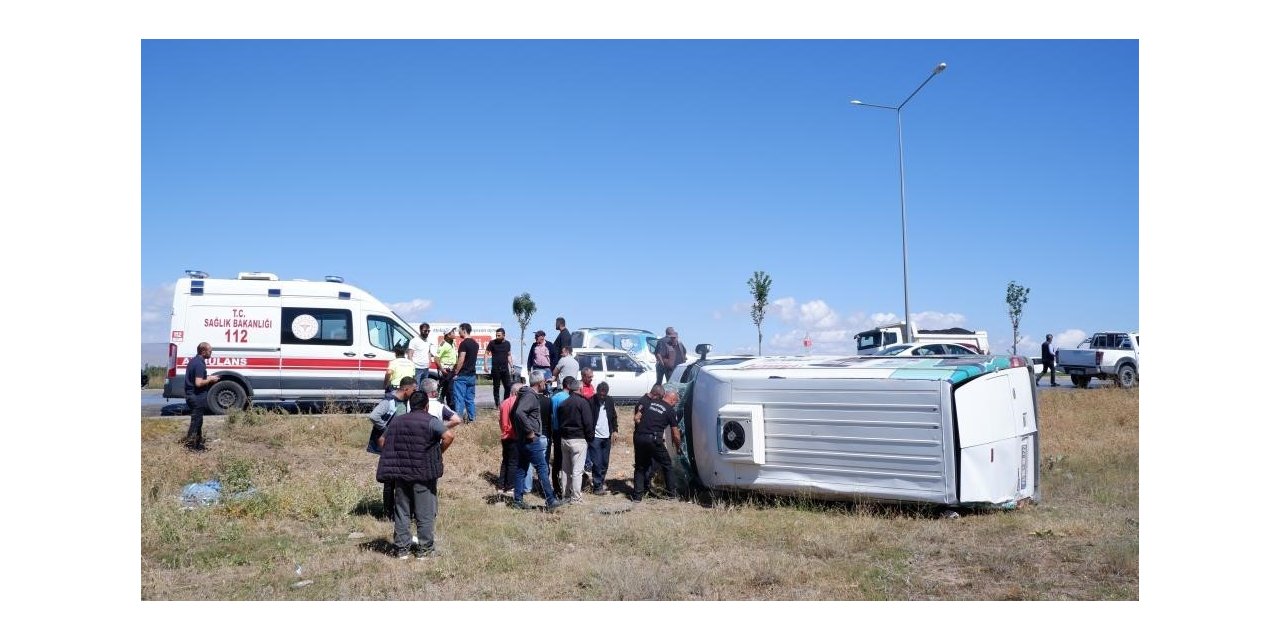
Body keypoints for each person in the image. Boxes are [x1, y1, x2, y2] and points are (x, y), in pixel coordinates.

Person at [376, 390, 455, 559]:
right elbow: (448, 436)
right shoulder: (430, 421)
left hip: (401, 472)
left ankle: (401, 549)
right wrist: (438, 452)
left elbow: (382, 441)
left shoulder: (397, 421)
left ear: (410, 405)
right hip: (423, 473)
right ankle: (424, 550)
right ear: (426, 406)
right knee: (424, 512)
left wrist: (395, 454)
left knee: (402, 511)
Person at [511, 372, 560, 511]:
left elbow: (513, 413)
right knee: (542, 468)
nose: (546, 384)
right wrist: (529, 431)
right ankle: (550, 500)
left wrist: (517, 431)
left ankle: (518, 500)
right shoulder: (530, 396)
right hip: (531, 440)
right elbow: (519, 413)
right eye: (544, 382)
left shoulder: (522, 395)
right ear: (540, 383)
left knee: (521, 469)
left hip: (522, 439)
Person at [369, 376, 416, 520]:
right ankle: (387, 513)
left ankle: (401, 510)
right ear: (406, 389)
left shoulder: (407, 402)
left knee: (401, 479)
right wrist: (387, 429)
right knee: (389, 480)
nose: (415, 392)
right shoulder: (389, 401)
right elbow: (373, 416)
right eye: (414, 389)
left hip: (402, 445)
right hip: (389, 446)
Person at [631, 385, 682, 502]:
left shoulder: (650, 402)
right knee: (667, 464)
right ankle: (672, 494)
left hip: (639, 436)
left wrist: (645, 427)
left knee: (640, 466)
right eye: (675, 402)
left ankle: (637, 497)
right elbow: (675, 433)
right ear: (672, 400)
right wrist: (678, 447)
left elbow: (637, 417)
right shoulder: (670, 410)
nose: (675, 405)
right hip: (653, 439)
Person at [556, 377, 594, 504]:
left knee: (565, 469)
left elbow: (559, 421)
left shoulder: (563, 403)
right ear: (579, 388)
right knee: (577, 471)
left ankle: (565, 495)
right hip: (578, 439)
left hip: (565, 439)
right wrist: (590, 438)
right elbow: (588, 423)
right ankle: (576, 498)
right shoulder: (583, 403)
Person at [183, 342, 220, 451]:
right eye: (210, 351)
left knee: (198, 421)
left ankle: (198, 445)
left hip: (192, 396)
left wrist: (208, 377)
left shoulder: (194, 361)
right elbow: (198, 383)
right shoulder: (199, 364)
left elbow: (197, 378)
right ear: (203, 351)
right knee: (196, 422)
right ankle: (191, 447)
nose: (211, 353)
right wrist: (210, 379)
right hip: (196, 397)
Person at [588, 381, 618, 495]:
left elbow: (614, 416)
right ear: (597, 392)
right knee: (597, 462)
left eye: (604, 395)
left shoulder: (609, 401)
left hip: (607, 436)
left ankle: (600, 482)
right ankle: (597, 487)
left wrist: (615, 430)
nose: (602, 396)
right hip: (595, 437)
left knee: (605, 462)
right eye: (600, 394)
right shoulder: (591, 401)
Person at [498, 381, 526, 495]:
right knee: (513, 462)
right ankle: (510, 486)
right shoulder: (518, 402)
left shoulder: (504, 403)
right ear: (517, 392)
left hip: (505, 435)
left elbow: (500, 420)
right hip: (514, 435)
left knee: (506, 460)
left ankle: (501, 485)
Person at [452, 322, 480, 423]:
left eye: (459, 330)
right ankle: (472, 419)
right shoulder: (475, 344)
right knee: (470, 399)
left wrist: (456, 373)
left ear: (464, 330)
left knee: (459, 399)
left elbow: (461, 359)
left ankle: (458, 420)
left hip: (462, 375)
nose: (458, 332)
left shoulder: (464, 344)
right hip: (472, 375)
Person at [486, 327, 515, 407]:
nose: (497, 337)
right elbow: (486, 353)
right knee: (496, 387)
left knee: (508, 386)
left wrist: (512, 367)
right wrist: (485, 365)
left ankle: (505, 403)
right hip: (495, 369)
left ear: (504, 335)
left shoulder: (507, 343)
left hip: (505, 369)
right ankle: (497, 404)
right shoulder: (492, 343)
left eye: (499, 335)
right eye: (496, 335)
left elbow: (509, 355)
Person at [407, 323, 438, 389]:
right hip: (417, 367)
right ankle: (415, 398)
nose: (427, 333)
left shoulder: (428, 340)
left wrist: (429, 361)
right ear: (420, 330)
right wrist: (411, 366)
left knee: (424, 387)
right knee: (416, 386)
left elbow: (428, 351)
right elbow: (410, 354)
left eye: (428, 331)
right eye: (425, 331)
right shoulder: (414, 341)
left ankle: (422, 399)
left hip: (425, 368)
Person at [435, 328, 458, 409]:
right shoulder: (443, 344)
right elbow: (436, 358)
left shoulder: (452, 343)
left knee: (450, 391)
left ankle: (451, 410)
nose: (454, 333)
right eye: (452, 332)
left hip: (451, 371)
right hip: (445, 370)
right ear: (448, 335)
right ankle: (438, 408)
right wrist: (441, 369)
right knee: (442, 390)